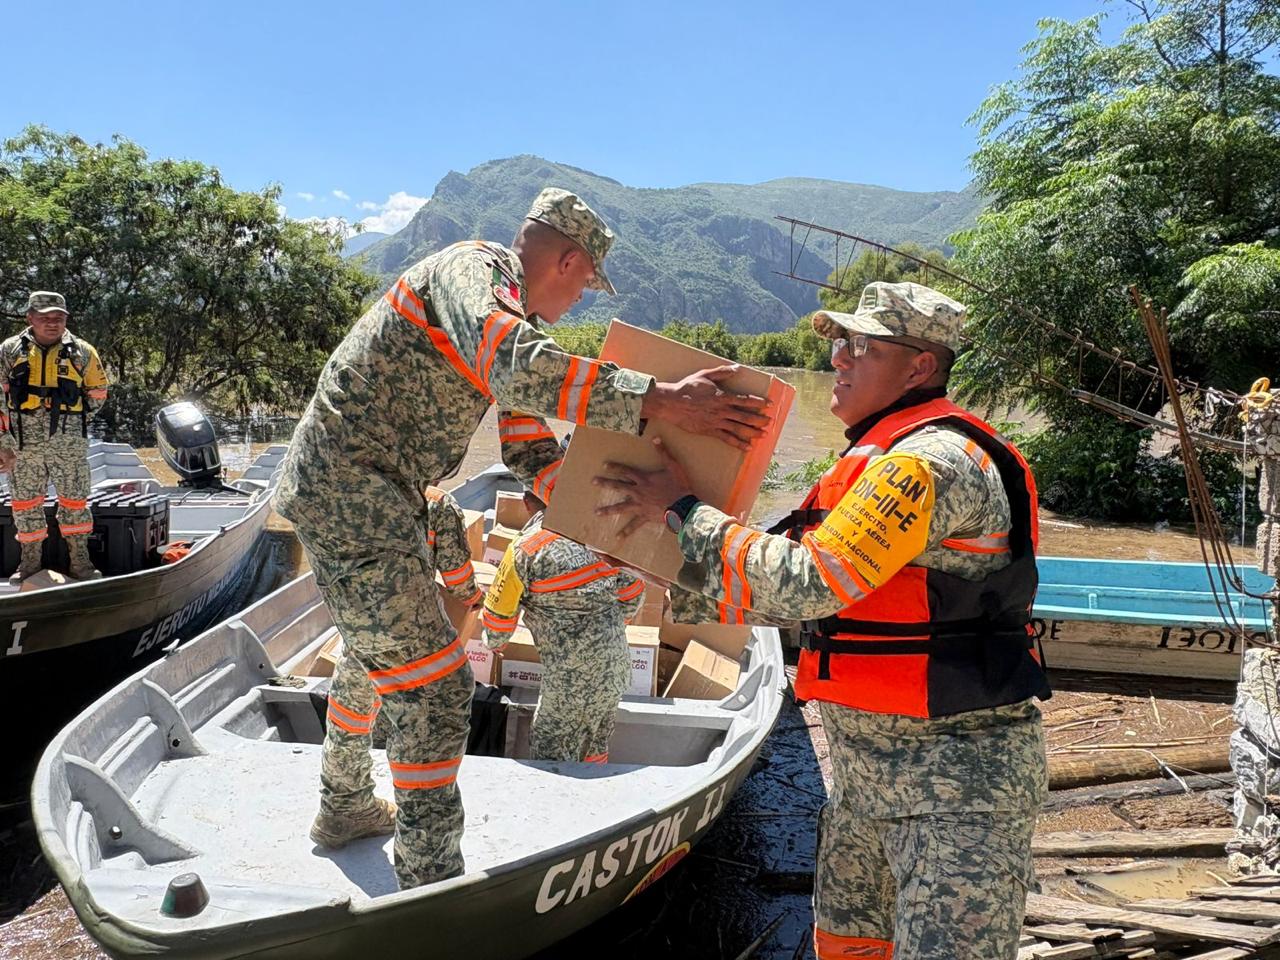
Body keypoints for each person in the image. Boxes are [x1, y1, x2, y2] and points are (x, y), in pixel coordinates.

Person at [275, 187, 771, 889]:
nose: (580, 300)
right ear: (568, 261)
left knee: (378, 653)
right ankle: (430, 885)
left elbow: (531, 451)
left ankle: (344, 803)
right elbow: (516, 365)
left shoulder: (511, 320)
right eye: (586, 284)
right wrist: (661, 400)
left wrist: (626, 520)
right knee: (436, 687)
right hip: (350, 489)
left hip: (380, 494)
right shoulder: (472, 272)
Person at [594, 281, 1051, 960]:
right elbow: (771, 591)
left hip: (957, 795)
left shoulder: (929, 466)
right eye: (839, 342)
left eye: (860, 346)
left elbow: (807, 582)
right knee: (846, 948)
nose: (837, 358)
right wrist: (646, 562)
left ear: (921, 367)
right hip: (862, 786)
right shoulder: (870, 464)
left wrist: (685, 511)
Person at [310, 484, 482, 848]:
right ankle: (423, 847)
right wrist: (475, 597)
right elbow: (457, 579)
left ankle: (341, 806)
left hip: (357, 626)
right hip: (411, 634)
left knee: (349, 716)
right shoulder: (435, 504)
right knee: (425, 730)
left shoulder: (349, 490)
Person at [481, 490, 644, 763]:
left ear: (527, 504)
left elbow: (497, 622)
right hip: (615, 668)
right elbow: (633, 595)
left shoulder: (525, 550)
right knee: (594, 745)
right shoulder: (603, 532)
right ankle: (596, 787)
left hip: (568, 682)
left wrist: (495, 643)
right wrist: (604, 632)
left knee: (551, 755)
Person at [0, 291, 110, 583]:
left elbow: (98, 393)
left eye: (58, 318)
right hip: (23, 445)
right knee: (25, 505)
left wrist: (73, 422)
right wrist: (3, 442)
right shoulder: (9, 350)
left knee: (75, 503)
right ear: (30, 318)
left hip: (68, 444)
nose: (52, 323)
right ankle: (29, 564)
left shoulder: (83, 352)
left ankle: (81, 564)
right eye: (45, 318)